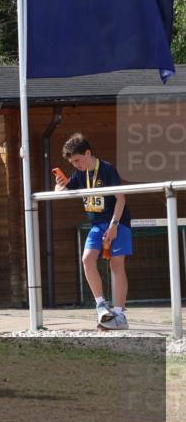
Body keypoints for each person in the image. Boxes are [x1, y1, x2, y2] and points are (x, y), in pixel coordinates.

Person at [54, 133, 132, 330]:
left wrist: (114, 226)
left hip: (117, 221)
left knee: (116, 265)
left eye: (78, 160)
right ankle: (101, 306)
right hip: (97, 225)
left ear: (88, 153)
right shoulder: (79, 174)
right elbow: (62, 189)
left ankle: (120, 314)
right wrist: (59, 186)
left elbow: (121, 199)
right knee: (87, 259)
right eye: (72, 162)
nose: (76, 165)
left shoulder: (106, 169)